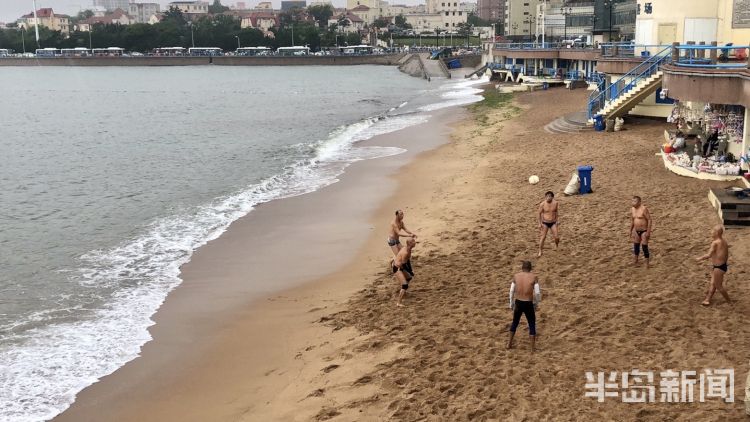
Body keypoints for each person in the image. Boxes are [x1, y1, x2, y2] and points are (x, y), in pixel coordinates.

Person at [507, 261, 541, 352]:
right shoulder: (533, 277)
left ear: (522, 268)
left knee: (515, 322)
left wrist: (511, 303)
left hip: (518, 302)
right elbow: (537, 293)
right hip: (528, 303)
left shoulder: (516, 276)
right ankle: (532, 348)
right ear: (530, 268)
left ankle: (509, 343)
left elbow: (511, 291)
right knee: (531, 323)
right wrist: (537, 303)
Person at [695, 225, 731, 306]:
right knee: (713, 283)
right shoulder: (724, 241)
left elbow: (709, 255)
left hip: (719, 267)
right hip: (722, 266)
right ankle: (707, 299)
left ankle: (729, 301)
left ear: (717, 233)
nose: (711, 232)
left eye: (712, 231)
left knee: (718, 286)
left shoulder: (715, 243)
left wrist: (699, 258)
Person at [392, 238, 416, 308]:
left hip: (401, 266)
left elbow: (407, 261)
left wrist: (410, 271)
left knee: (409, 278)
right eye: (413, 241)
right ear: (410, 243)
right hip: (397, 268)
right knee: (405, 285)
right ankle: (398, 303)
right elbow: (404, 265)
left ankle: (403, 292)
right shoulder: (405, 252)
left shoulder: (408, 249)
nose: (415, 242)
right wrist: (410, 271)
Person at [630, 196, 652, 268]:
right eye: (632, 201)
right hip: (636, 230)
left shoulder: (643, 209)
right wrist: (630, 230)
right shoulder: (633, 209)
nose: (633, 203)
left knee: (644, 246)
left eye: (635, 201)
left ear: (639, 202)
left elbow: (649, 219)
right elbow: (633, 220)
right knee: (636, 245)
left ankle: (647, 263)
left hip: (644, 230)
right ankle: (636, 260)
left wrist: (648, 231)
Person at [537, 191, 559, 257]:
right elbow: (539, 213)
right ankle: (540, 251)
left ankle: (556, 245)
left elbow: (556, 212)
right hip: (545, 222)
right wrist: (539, 223)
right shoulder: (542, 204)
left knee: (557, 237)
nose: (548, 198)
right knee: (543, 237)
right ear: (545, 197)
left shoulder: (556, 203)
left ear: (552, 197)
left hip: (553, 222)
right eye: (547, 196)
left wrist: (557, 220)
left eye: (550, 196)